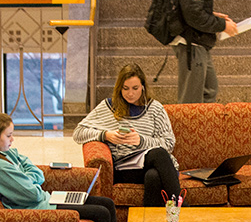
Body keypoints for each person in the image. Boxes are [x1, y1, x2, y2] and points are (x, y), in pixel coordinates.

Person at [0, 113, 119, 222]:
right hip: (39, 209)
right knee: (102, 213)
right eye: (9, 135)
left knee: (107, 203)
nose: (12, 140)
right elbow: (33, 194)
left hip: (47, 199)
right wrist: (28, 180)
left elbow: (36, 171)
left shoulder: (5, 152)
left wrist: (26, 178)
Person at [72, 63, 181, 207]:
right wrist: (105, 135)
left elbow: (169, 143)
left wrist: (141, 141)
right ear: (119, 88)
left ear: (143, 87)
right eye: (126, 88)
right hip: (124, 168)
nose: (130, 93)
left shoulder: (154, 108)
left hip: (151, 164)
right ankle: (181, 207)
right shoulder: (108, 107)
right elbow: (78, 133)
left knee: (153, 176)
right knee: (159, 155)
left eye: (135, 88)